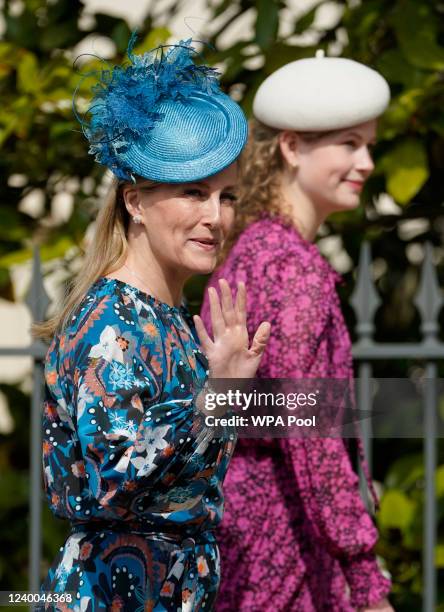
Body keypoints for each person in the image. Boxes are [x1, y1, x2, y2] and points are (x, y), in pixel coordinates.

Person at [34, 38, 270, 611]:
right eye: (194, 192)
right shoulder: (109, 322)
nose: (216, 217)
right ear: (136, 202)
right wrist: (223, 394)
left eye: (227, 196)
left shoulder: (171, 318)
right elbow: (118, 477)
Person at [201, 53, 394, 611]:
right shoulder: (291, 267)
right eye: (349, 144)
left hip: (248, 527)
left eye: (370, 145)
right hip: (278, 542)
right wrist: (365, 576)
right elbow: (310, 433)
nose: (366, 162)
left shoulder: (258, 246)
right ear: (291, 147)